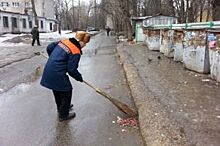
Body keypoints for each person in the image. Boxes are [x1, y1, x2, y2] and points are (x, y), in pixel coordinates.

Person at [40, 32, 90, 122]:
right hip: (57, 72)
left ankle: (62, 107)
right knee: (67, 90)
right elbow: (72, 70)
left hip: (50, 69)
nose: (84, 46)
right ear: (81, 42)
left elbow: (50, 47)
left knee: (57, 89)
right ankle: (63, 115)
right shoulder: (75, 51)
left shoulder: (65, 41)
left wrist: (54, 58)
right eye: (85, 43)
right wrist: (79, 77)